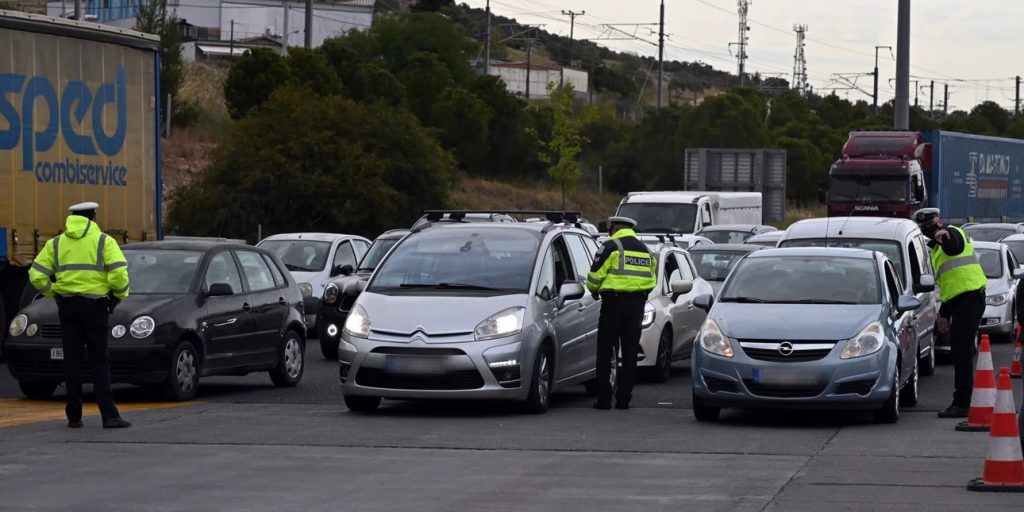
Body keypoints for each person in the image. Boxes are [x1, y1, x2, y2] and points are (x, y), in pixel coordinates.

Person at [28, 202, 132, 429]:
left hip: (67, 307)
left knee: (72, 361)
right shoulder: (104, 241)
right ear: (93, 217)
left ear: (73, 218)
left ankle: (74, 416)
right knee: (99, 361)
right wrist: (118, 296)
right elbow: (119, 274)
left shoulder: (56, 243)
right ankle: (109, 416)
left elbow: (36, 274)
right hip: (96, 308)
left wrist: (53, 292)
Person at [913, 208, 987, 419]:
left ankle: (962, 403)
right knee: (959, 351)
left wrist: (943, 234)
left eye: (933, 225)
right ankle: (963, 401)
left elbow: (953, 244)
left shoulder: (952, 234)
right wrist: (944, 314)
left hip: (970, 299)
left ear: (939, 222)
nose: (930, 229)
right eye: (926, 227)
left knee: (962, 352)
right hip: (961, 301)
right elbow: (950, 283)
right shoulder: (936, 251)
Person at [586, 216, 657, 410]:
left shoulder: (610, 246)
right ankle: (624, 399)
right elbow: (652, 279)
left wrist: (594, 290)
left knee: (605, 351)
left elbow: (594, 276)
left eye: (611, 229)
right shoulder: (646, 251)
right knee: (629, 353)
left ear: (616, 228)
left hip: (613, 304)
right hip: (637, 305)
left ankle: (604, 400)